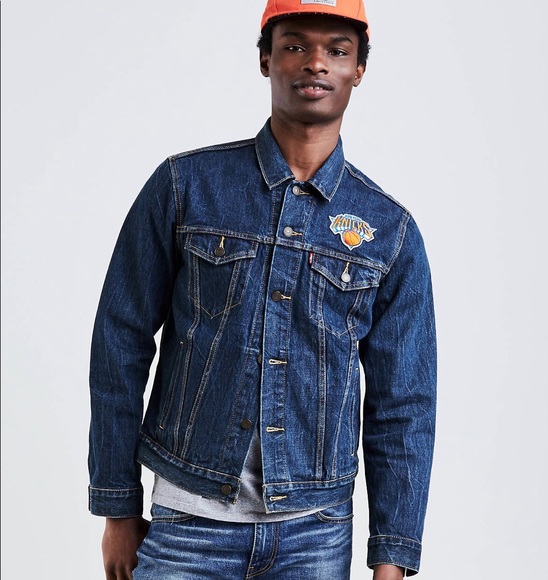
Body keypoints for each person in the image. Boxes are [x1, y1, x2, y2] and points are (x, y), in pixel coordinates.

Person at [88, 1, 437, 578]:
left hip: (315, 535)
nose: (316, 63)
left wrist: (393, 554)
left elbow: (404, 401)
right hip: (187, 525)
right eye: (295, 45)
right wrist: (117, 507)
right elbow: (119, 342)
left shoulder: (389, 230)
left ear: (358, 70)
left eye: (338, 50)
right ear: (265, 60)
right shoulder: (185, 186)